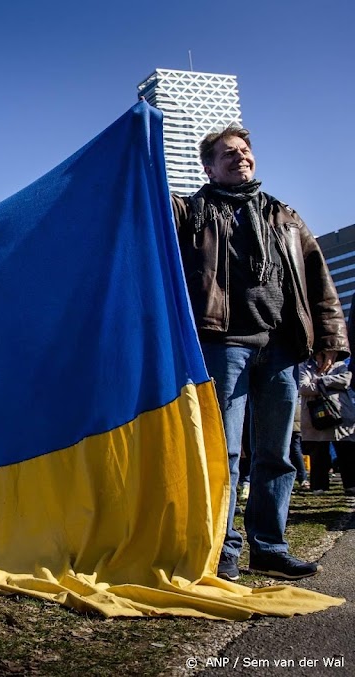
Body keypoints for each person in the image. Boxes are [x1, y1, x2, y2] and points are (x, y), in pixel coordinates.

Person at [171, 126, 348, 581]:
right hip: (222, 345)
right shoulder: (190, 212)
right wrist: (139, 143)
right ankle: (222, 549)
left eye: (245, 151)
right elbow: (147, 203)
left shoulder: (284, 216)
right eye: (227, 154)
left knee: (276, 454)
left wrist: (330, 338)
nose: (240, 158)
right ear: (208, 166)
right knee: (224, 453)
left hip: (282, 348)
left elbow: (318, 281)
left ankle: (270, 546)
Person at [297, 360, 355, 493]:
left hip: (341, 413)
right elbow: (303, 387)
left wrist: (320, 381)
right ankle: (319, 486)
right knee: (318, 453)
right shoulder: (305, 366)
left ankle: (351, 484)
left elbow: (346, 380)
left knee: (346, 451)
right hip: (315, 416)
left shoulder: (340, 365)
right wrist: (333, 384)